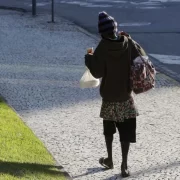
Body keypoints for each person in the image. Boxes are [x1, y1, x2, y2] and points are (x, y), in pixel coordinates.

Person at [85, 11, 146, 178]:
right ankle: (124, 165)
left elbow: (97, 73)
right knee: (126, 131)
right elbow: (143, 56)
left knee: (109, 130)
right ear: (115, 29)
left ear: (102, 32)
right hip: (126, 96)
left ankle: (110, 159)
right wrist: (131, 39)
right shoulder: (127, 42)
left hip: (109, 97)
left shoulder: (102, 47)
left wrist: (88, 58)